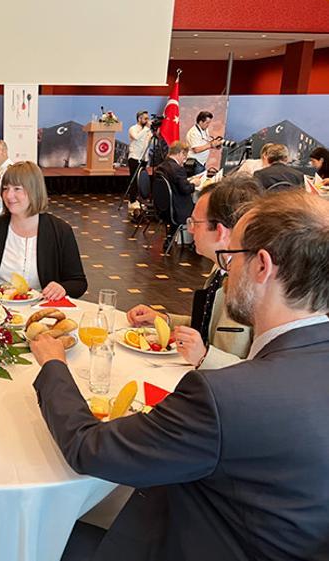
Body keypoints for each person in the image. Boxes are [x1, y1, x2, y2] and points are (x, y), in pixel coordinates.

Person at [31, 189, 329, 561]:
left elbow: (89, 448)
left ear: (262, 266)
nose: (226, 271)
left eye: (231, 258)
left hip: (193, 539)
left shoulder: (225, 397)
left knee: (35, 538)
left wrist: (53, 365)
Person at [126, 176, 263, 368]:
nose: (189, 230)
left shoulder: (258, 289)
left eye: (195, 223)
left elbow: (264, 371)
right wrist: (163, 319)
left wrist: (204, 357)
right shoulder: (220, 268)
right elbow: (208, 326)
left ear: (220, 231)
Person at [0, 161, 87, 300]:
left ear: (34, 191)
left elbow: (79, 283)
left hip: (42, 311)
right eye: (5, 188)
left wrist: (62, 288)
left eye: (17, 189)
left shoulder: (60, 231)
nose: (8, 195)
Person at [154, 141, 195, 246]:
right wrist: (194, 184)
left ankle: (171, 238)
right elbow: (185, 189)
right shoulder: (178, 169)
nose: (184, 160)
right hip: (178, 209)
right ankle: (194, 243)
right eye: (184, 157)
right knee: (201, 209)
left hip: (163, 207)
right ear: (180, 153)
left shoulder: (161, 166)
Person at [126, 111, 151, 210]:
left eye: (147, 118)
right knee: (134, 180)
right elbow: (136, 137)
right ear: (139, 119)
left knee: (141, 180)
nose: (147, 120)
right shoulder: (133, 129)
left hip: (144, 158)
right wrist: (146, 129)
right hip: (134, 158)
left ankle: (140, 200)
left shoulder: (147, 130)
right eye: (145, 118)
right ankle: (132, 200)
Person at [185, 110, 221, 175]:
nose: (208, 125)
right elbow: (196, 149)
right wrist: (210, 145)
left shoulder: (204, 129)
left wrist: (215, 145)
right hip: (195, 163)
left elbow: (204, 142)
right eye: (207, 123)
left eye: (209, 122)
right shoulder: (194, 133)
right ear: (201, 122)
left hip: (201, 162)